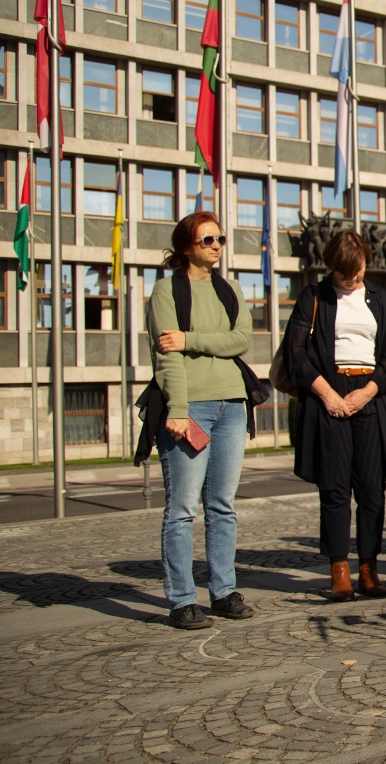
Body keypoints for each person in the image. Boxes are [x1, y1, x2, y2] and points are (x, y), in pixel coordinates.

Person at [147, 211, 255, 630]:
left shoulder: (229, 289)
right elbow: (166, 354)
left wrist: (192, 339)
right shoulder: (166, 290)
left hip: (232, 404)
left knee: (223, 506)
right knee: (182, 509)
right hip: (190, 407)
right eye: (207, 239)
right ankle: (181, 600)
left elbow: (242, 339)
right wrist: (175, 409)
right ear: (187, 246)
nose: (216, 246)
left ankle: (224, 591)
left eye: (220, 239)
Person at [286, 231, 386, 602]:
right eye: (344, 273)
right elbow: (296, 355)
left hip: (369, 395)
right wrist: (329, 395)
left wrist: (368, 392)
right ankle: (339, 568)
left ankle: (369, 567)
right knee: (335, 489)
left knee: (371, 489)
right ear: (331, 267)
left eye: (358, 270)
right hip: (328, 393)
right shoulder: (313, 296)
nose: (352, 278)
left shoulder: (380, 298)